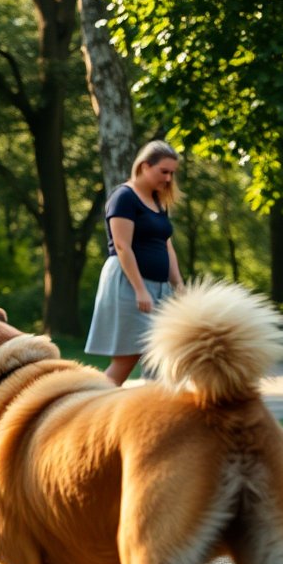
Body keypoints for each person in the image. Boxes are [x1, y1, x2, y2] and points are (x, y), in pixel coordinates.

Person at [84, 140, 184, 386]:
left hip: (160, 288)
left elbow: (166, 244)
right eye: (164, 171)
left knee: (161, 357)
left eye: (172, 173)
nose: (169, 178)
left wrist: (178, 284)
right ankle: (90, 407)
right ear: (144, 166)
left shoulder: (158, 201)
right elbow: (122, 246)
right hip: (129, 283)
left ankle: (155, 416)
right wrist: (140, 289)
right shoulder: (124, 197)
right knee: (128, 358)